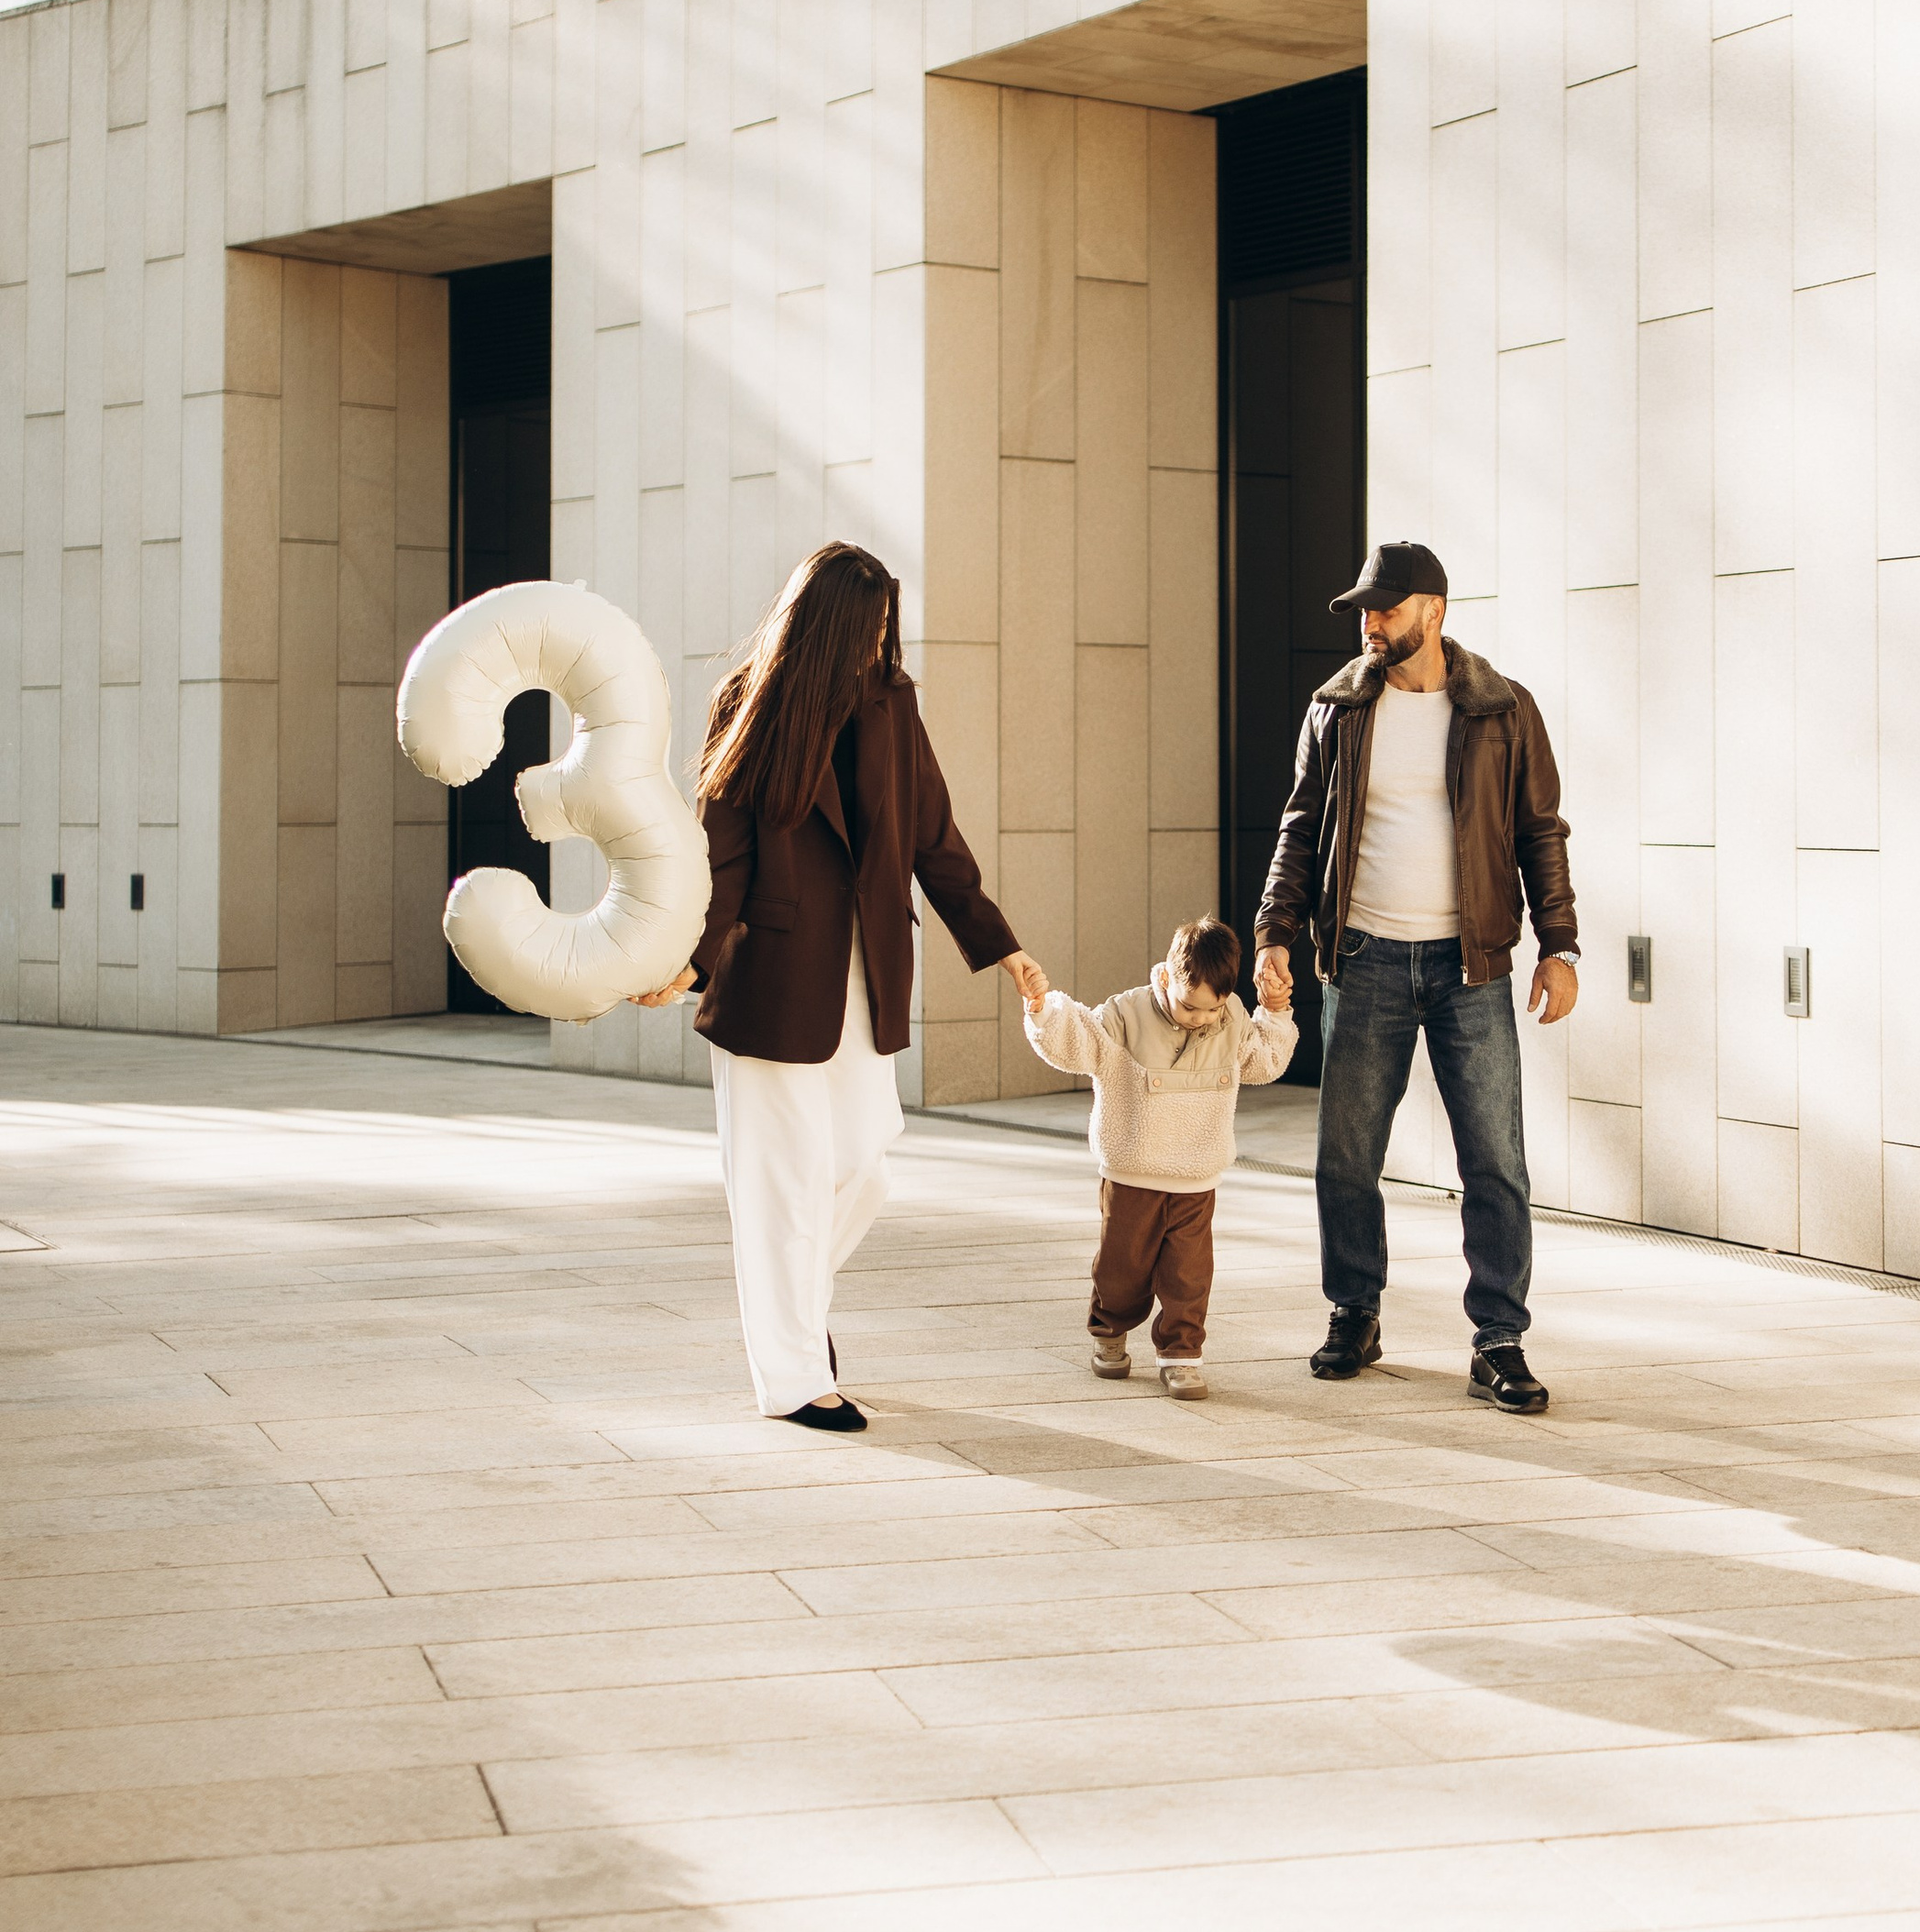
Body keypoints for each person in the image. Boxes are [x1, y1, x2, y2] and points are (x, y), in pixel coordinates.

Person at [634, 542, 1043, 1430]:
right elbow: (723, 855)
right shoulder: (749, 702)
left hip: (867, 971)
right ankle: (791, 1377)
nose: (883, 643)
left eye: (888, 626)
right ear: (827, 627)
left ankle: (795, 1316)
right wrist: (688, 961)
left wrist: (998, 944)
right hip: (771, 977)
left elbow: (933, 834)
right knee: (783, 1183)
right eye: (870, 628)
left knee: (862, 1165)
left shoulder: (892, 705)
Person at [1254, 541, 1578, 1416]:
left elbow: (1540, 831)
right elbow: (1299, 827)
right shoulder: (1338, 710)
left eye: (1386, 609)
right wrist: (1274, 932)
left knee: (1495, 1160)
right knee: (1346, 1156)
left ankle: (1499, 1339)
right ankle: (1354, 1311)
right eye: (1365, 608)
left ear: (1434, 610)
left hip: (1468, 965)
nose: (1371, 623)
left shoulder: (1502, 710)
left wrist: (1561, 945)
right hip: (1362, 961)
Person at [1020, 916, 1297, 1397]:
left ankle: (1181, 1354)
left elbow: (1264, 1061)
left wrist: (1274, 1011)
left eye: (1212, 1011)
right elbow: (1079, 1039)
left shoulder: (1229, 1020)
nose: (1201, 1019)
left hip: (1196, 1177)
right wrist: (1044, 1010)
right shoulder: (1126, 1016)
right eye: (1191, 1007)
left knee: (1189, 1276)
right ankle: (1110, 1332)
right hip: (1132, 1173)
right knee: (1121, 1270)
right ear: (1166, 977)